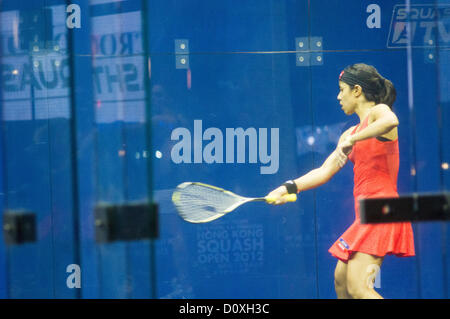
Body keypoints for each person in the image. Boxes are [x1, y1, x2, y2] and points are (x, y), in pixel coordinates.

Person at [266, 63, 415, 299]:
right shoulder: (349, 133)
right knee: (342, 280)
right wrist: (287, 187)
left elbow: (391, 121)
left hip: (382, 208)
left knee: (359, 287)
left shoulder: (379, 112)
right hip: (365, 213)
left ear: (357, 90)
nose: (338, 96)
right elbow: (325, 170)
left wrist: (355, 138)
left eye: (341, 89)